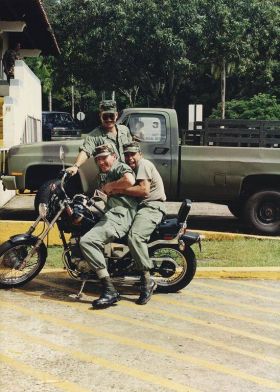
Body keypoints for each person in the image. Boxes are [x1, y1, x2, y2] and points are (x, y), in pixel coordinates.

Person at [79, 143, 138, 308]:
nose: (101, 162)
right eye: (98, 159)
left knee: (87, 241)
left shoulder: (120, 167)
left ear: (114, 156)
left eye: (104, 158)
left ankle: (109, 289)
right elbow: (101, 196)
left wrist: (110, 186)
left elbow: (129, 180)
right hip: (111, 212)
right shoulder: (102, 175)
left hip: (121, 214)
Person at [111, 142, 166, 305]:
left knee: (135, 237)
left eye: (132, 154)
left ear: (140, 154)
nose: (129, 158)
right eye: (127, 155)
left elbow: (144, 191)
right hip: (140, 206)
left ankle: (147, 280)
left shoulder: (143, 164)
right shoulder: (130, 169)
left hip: (152, 206)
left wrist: (118, 190)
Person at [67, 100, 132, 176]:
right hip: (110, 177)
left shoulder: (124, 130)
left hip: (128, 173)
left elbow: (131, 149)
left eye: (111, 116)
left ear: (116, 115)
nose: (109, 119)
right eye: (105, 117)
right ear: (100, 116)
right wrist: (76, 166)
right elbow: (85, 151)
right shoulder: (94, 136)